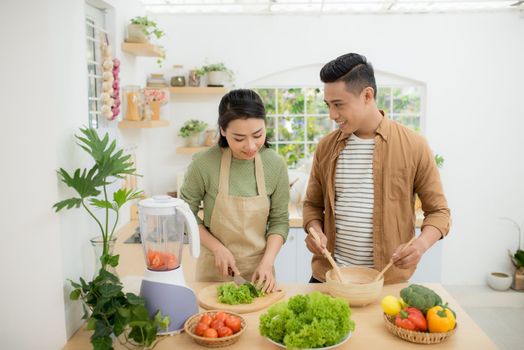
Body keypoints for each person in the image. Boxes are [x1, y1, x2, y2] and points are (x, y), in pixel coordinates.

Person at [303, 53, 451, 284]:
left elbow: (440, 213)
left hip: (385, 283)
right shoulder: (326, 147)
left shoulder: (414, 145)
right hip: (329, 278)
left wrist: (420, 245)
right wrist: (314, 230)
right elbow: (312, 205)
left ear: (367, 95)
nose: (332, 115)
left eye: (339, 104)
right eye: (328, 105)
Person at [180, 89, 289, 292]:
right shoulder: (203, 164)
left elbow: (279, 221)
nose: (250, 146)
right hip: (213, 270)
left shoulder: (275, 165)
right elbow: (185, 215)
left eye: (258, 135)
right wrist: (217, 248)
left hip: (260, 272)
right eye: (239, 138)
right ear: (222, 130)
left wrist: (267, 262)